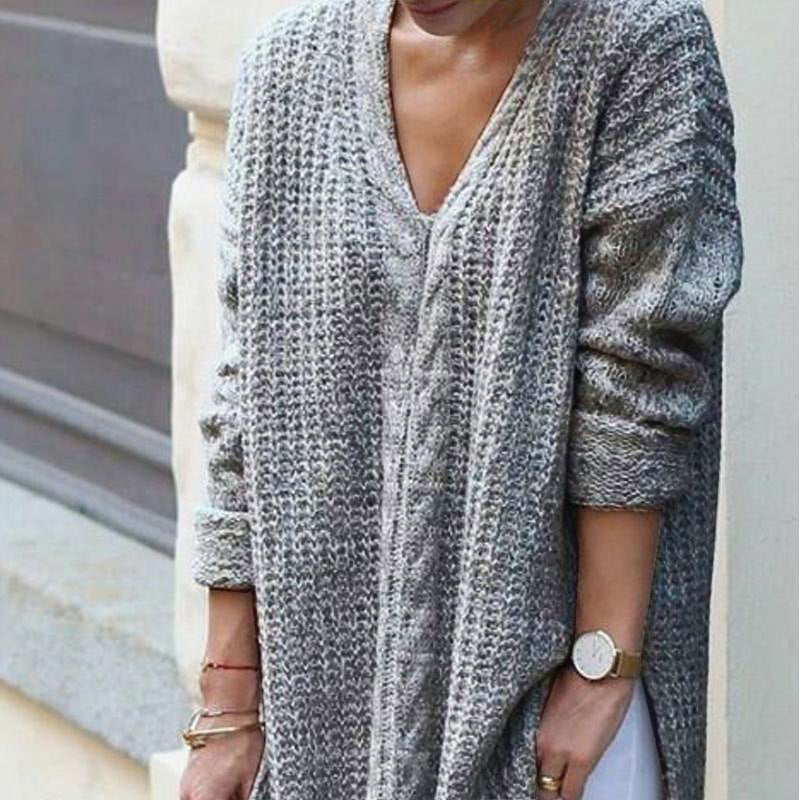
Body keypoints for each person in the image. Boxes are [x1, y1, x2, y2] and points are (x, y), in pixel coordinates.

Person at [178, 0, 743, 798]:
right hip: (318, 711)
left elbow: (638, 380)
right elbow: (246, 407)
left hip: (566, 694)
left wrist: (602, 664)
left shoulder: (641, 46)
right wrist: (229, 706)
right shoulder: (285, 68)